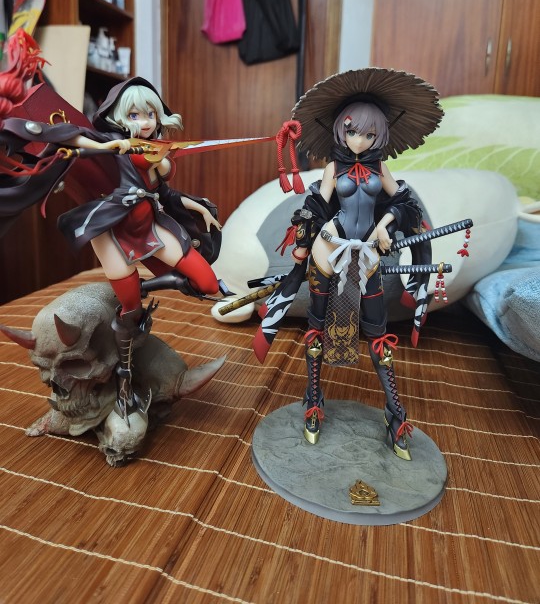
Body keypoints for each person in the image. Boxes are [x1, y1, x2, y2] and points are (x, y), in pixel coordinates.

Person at [1, 71, 224, 426]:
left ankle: (153, 286)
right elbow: (75, 137)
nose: (144, 121)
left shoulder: (157, 150)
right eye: (135, 114)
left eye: (150, 114)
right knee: (130, 309)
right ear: (121, 117)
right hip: (112, 228)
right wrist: (106, 146)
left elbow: (165, 193)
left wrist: (199, 207)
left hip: (150, 225)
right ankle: (124, 376)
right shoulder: (115, 142)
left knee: (207, 283)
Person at [254, 68, 444, 460]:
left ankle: (395, 414)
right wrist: (303, 241)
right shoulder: (333, 169)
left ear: (380, 135)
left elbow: (403, 202)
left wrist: (386, 224)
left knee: (378, 335)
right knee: (316, 328)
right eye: (353, 131)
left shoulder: (380, 169)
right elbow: (317, 204)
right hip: (330, 247)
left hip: (367, 254)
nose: (359, 140)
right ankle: (313, 400)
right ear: (341, 130)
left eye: (369, 134)